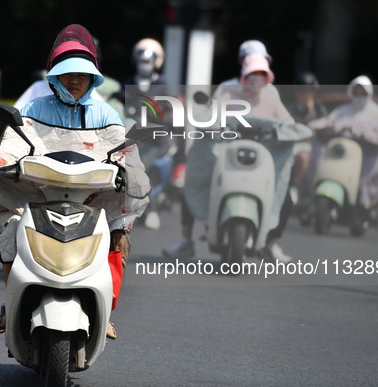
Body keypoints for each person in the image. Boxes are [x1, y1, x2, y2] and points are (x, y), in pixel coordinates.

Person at [0, 24, 149, 339]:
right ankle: (10, 303)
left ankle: (106, 311)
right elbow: (14, 144)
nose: (74, 79)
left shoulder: (107, 113)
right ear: (54, 75)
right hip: (39, 196)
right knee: (12, 231)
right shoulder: (33, 109)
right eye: (67, 73)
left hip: (94, 200)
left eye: (81, 74)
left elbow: (126, 153)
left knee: (118, 236)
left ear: (92, 77)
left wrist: (131, 170)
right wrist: (2, 158)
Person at [163, 40, 294, 262]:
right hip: (224, 152)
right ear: (243, 65)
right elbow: (211, 114)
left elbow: (287, 121)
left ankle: (271, 244)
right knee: (194, 180)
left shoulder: (270, 93)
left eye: (262, 72)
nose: (257, 78)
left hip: (262, 155)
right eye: (253, 72)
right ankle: (186, 241)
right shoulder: (227, 88)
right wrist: (214, 123)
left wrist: (285, 130)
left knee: (286, 195)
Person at [308, 75, 378, 226]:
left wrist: (364, 134)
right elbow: (328, 122)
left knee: (364, 180)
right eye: (357, 91)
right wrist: (312, 126)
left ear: (369, 93)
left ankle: (364, 203)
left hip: (363, 158)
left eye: (363, 92)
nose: (359, 95)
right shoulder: (343, 110)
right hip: (342, 155)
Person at [122, 38, 173, 230]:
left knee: (142, 166)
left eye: (149, 61)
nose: (145, 65)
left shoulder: (163, 85)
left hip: (157, 140)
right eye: (142, 61)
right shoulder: (128, 83)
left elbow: (171, 112)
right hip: (133, 136)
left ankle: (151, 210)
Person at [287, 71, 328, 204]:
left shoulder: (320, 111)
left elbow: (326, 130)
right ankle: (288, 187)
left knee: (304, 156)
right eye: (301, 90)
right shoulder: (290, 109)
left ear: (314, 92)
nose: (304, 93)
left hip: (312, 147)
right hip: (290, 145)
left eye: (308, 90)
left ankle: (298, 188)